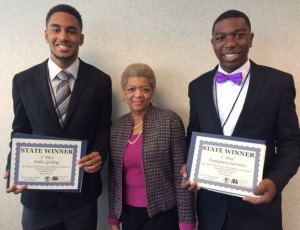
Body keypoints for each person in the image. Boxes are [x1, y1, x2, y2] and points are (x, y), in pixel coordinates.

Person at [181, 9, 300, 230]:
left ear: (251, 38)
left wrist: (275, 182)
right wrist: (190, 166)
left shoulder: (278, 83)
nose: (230, 43)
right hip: (211, 212)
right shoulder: (197, 86)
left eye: (238, 35)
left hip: (258, 211)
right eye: (221, 37)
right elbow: (194, 135)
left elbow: (292, 143)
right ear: (213, 43)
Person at [4, 4, 112, 230]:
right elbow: (20, 130)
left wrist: (99, 152)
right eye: (56, 29)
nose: (63, 36)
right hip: (37, 199)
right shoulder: (22, 81)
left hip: (82, 199)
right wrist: (14, 164)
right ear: (46, 34)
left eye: (71, 30)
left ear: (81, 38)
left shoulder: (101, 81)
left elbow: (103, 127)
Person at [108, 63, 196, 230]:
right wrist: (113, 219)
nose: (138, 95)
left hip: (163, 213)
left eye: (145, 89)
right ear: (124, 92)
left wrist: (187, 222)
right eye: (131, 89)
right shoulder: (117, 127)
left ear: (153, 91)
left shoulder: (170, 121)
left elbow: (182, 175)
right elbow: (114, 177)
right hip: (127, 213)